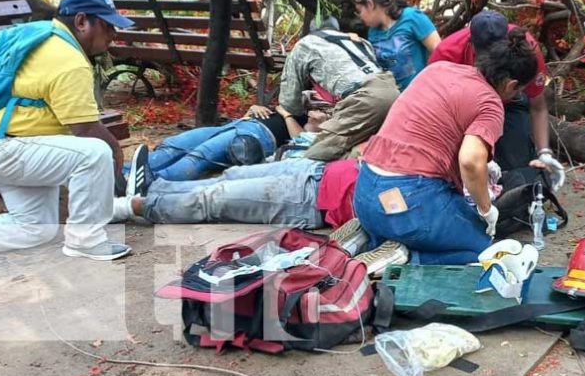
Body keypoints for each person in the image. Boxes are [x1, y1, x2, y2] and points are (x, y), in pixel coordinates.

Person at [0, 0, 135, 261]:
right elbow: (86, 130)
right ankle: (86, 241)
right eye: (107, 25)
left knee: (35, 229)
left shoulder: (46, 39)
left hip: (1, 149)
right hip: (8, 149)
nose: (114, 34)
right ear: (81, 22)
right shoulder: (68, 59)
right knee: (97, 152)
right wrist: (116, 155)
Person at [353, 31, 539, 264]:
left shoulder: (438, 69)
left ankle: (373, 241)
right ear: (512, 85)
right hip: (411, 203)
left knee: (445, 221)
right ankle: (409, 258)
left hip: (366, 191)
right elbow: (470, 161)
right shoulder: (490, 103)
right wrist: (486, 209)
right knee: (483, 253)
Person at [429, 10, 565, 191]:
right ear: (472, 43)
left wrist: (544, 153)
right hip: (459, 111)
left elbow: (537, 106)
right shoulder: (447, 54)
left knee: (518, 172)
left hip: (509, 102)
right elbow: (434, 111)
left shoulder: (527, 50)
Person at [124, 104, 329, 195]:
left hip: (259, 136)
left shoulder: (319, 129)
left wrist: (286, 115)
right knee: (174, 145)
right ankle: (121, 175)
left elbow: (299, 139)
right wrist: (254, 108)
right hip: (238, 123)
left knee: (198, 156)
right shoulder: (299, 99)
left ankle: (149, 184)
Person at [278, 16, 400, 162]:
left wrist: (297, 113)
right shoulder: (359, 41)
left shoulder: (306, 44)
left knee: (317, 155)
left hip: (365, 99)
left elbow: (290, 102)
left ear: (313, 31)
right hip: (394, 93)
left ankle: (353, 161)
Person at [114, 158, 359, 230]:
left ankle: (128, 207)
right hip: (319, 169)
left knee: (214, 201)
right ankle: (153, 188)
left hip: (313, 200)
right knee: (230, 176)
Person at [355, 0, 441, 90]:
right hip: (394, 99)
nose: (360, 17)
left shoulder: (411, 17)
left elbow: (439, 51)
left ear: (370, 4)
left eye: (360, 11)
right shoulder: (373, 32)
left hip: (423, 91)